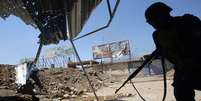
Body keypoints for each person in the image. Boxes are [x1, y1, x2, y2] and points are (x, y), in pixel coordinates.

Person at [145, 2, 201, 101]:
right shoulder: (157, 35)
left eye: (155, 20)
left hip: (198, 65)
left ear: (165, 14)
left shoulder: (187, 22)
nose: (154, 24)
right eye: (151, 22)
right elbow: (162, 51)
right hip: (182, 69)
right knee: (181, 93)